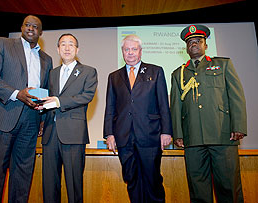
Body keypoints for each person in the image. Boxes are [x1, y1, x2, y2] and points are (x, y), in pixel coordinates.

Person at [0, 15, 53, 202]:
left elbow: (45, 91)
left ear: (41, 32)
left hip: (30, 123)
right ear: (21, 27)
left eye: (35, 26)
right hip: (2, 117)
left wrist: (42, 118)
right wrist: (17, 93)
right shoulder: (3, 44)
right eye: (27, 25)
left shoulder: (47, 59)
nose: (31, 28)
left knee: (22, 178)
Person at [170, 24, 247, 202]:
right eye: (190, 43)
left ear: (206, 45)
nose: (193, 45)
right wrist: (178, 135)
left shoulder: (223, 65)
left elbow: (236, 97)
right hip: (193, 138)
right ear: (186, 48)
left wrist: (239, 126)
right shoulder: (178, 73)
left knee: (228, 187)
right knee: (198, 190)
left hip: (223, 135)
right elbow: (175, 107)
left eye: (198, 41)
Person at [103, 34, 172, 203]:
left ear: (140, 51)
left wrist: (166, 131)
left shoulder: (155, 71)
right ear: (122, 52)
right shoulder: (114, 77)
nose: (130, 53)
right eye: (127, 49)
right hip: (124, 138)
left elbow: (163, 103)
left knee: (152, 180)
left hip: (150, 136)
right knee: (131, 180)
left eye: (134, 49)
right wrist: (109, 134)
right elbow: (110, 107)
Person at [39, 33, 98, 203]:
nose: (66, 48)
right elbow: (47, 99)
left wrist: (58, 101)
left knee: (74, 185)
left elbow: (86, 96)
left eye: (71, 44)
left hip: (73, 134)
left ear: (77, 49)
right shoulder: (51, 73)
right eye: (63, 44)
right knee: (49, 185)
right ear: (57, 49)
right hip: (50, 134)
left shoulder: (88, 71)